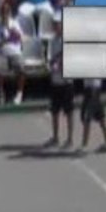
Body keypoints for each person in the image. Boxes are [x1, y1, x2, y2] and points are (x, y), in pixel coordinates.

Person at [0, 0, 26, 105]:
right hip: (2, 53)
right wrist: (3, 40)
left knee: (21, 68)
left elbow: (21, 38)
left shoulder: (15, 24)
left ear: (9, 13)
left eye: (7, 12)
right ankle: (1, 93)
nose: (5, 15)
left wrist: (12, 31)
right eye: (3, 13)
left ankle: (19, 93)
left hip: (15, 52)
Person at [45, 15, 73, 149]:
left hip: (67, 82)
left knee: (69, 111)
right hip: (55, 81)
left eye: (59, 24)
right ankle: (55, 137)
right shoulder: (52, 41)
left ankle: (70, 138)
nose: (57, 27)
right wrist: (51, 64)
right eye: (55, 24)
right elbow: (49, 58)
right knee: (54, 111)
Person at [80, 78, 106, 153]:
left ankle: (84, 145)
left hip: (91, 91)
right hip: (96, 92)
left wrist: (90, 97)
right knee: (102, 119)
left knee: (87, 120)